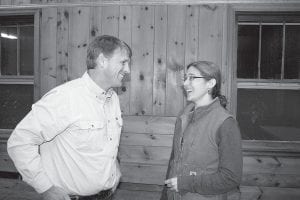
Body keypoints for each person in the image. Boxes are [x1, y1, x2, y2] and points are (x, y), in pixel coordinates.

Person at [7, 35, 132, 200]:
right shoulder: (65, 97)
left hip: (106, 195)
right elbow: (20, 142)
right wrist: (45, 188)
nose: (128, 70)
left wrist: (114, 171)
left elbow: (106, 143)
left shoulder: (112, 98)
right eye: (123, 62)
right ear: (102, 61)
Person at [161, 61, 243, 200]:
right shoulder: (184, 116)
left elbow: (230, 178)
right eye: (185, 78)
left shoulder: (225, 123)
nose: (185, 83)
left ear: (210, 83)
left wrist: (186, 183)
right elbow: (174, 162)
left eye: (192, 78)